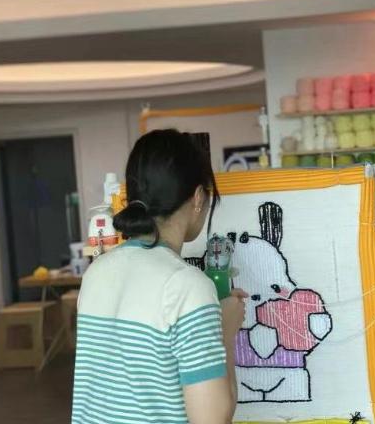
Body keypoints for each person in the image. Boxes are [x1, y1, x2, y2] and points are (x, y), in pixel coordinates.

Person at [72, 129, 246, 424]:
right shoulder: (189, 286)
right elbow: (212, 420)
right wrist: (225, 332)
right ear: (198, 198)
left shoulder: (96, 272)